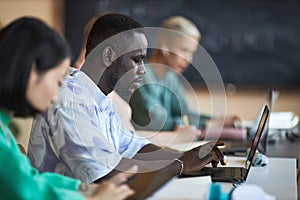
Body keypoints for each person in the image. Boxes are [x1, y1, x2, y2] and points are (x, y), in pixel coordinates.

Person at [28, 13, 225, 185]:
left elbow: (134, 147)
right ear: (108, 56)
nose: (143, 70)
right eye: (136, 60)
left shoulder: (100, 97)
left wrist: (184, 156)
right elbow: (108, 175)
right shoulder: (71, 100)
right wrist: (180, 166)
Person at [0, 17, 136, 200]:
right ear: (33, 70)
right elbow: (25, 192)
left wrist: (82, 189)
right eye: (57, 81)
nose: (57, 95)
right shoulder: (68, 99)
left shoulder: (4, 126)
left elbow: (32, 180)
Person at [74, 15, 199, 146]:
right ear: (108, 55)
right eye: (184, 50)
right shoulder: (75, 94)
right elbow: (128, 143)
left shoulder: (109, 102)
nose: (189, 59)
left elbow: (127, 142)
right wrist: (177, 138)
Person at [122, 15, 240, 133]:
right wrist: (207, 124)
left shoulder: (170, 77)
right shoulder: (140, 75)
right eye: (184, 50)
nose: (189, 59)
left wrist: (217, 120)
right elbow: (156, 122)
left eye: (191, 53)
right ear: (165, 45)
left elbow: (184, 112)